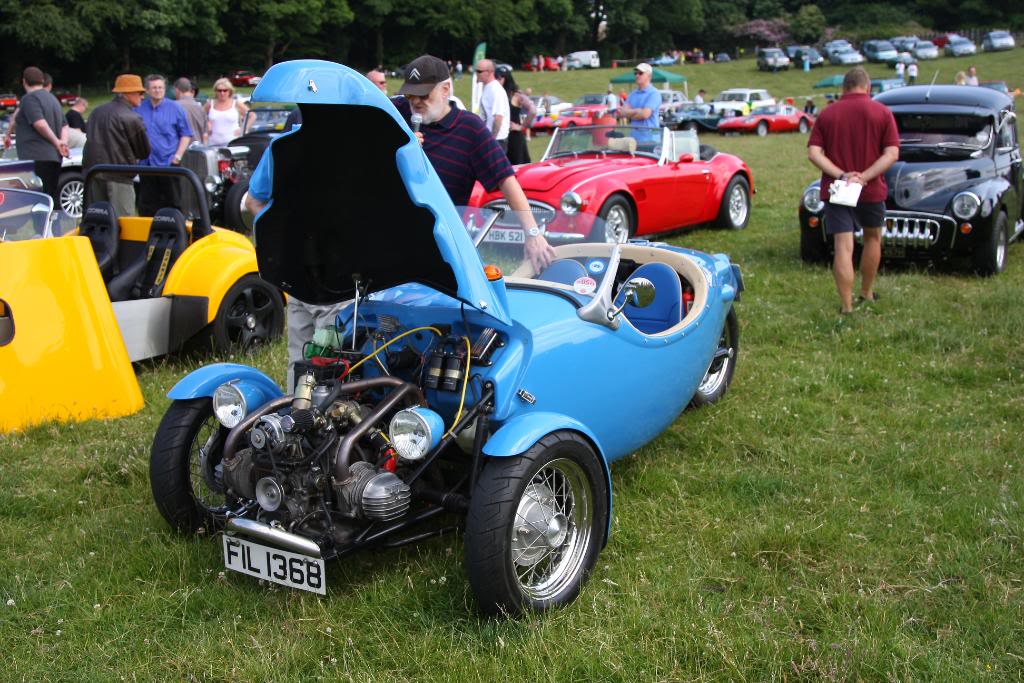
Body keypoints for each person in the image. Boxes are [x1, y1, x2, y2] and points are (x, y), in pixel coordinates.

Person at [807, 67, 899, 315]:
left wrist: (841, 175)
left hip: (838, 189)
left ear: (844, 88)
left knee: (843, 245)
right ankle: (867, 293)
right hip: (870, 189)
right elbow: (892, 153)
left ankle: (846, 306)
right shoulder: (882, 112)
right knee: (872, 238)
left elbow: (814, 153)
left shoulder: (827, 114)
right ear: (867, 87)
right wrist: (864, 177)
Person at [82, 74, 151, 217]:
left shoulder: (96, 112)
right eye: (140, 93)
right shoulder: (131, 117)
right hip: (120, 176)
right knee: (125, 223)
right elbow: (144, 151)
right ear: (127, 93)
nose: (143, 97)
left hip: (94, 174)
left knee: (98, 220)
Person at [135, 74, 193, 215]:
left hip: (168, 163)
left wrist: (177, 157)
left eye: (160, 87)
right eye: (154, 87)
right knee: (147, 204)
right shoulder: (138, 108)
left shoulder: (175, 108)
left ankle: (175, 232)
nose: (157, 90)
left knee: (173, 203)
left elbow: (186, 134)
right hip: (146, 165)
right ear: (147, 90)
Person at [12, 67, 69, 204]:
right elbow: (64, 125)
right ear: (42, 81)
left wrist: (57, 142)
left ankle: (42, 225)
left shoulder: (29, 99)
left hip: (36, 156)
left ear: (24, 81)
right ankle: (55, 225)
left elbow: (39, 124)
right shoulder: (52, 98)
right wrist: (63, 143)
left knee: (39, 201)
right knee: (51, 197)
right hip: (54, 157)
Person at [497, 67, 534, 165]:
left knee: (518, 169)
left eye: (499, 79)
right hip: (501, 138)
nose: (497, 81)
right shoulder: (497, 94)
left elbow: (533, 110)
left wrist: (522, 127)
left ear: (506, 79)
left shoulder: (516, 95)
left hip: (514, 138)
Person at [618, 62, 660, 142]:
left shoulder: (654, 93)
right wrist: (638, 111)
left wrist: (630, 114)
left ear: (649, 76)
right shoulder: (633, 94)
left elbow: (645, 114)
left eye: (640, 73)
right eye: (636, 73)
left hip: (650, 140)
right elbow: (622, 112)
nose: (637, 75)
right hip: (634, 139)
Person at [475, 59, 510, 151]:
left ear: (489, 72)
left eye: (479, 71)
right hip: (490, 138)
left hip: (497, 140)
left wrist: (492, 140)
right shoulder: (488, 88)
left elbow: (498, 117)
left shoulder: (496, 90)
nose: (476, 74)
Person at [205, 77, 249, 146]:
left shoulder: (236, 103)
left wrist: (243, 129)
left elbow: (252, 115)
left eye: (225, 90)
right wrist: (207, 124)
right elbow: (200, 117)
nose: (222, 93)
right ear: (215, 91)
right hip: (213, 143)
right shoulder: (210, 104)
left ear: (230, 91)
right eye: (219, 90)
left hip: (232, 143)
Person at [173, 77, 207, 143]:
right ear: (190, 89)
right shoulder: (200, 107)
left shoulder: (173, 106)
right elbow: (205, 133)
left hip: (180, 148)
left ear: (177, 89)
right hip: (198, 148)